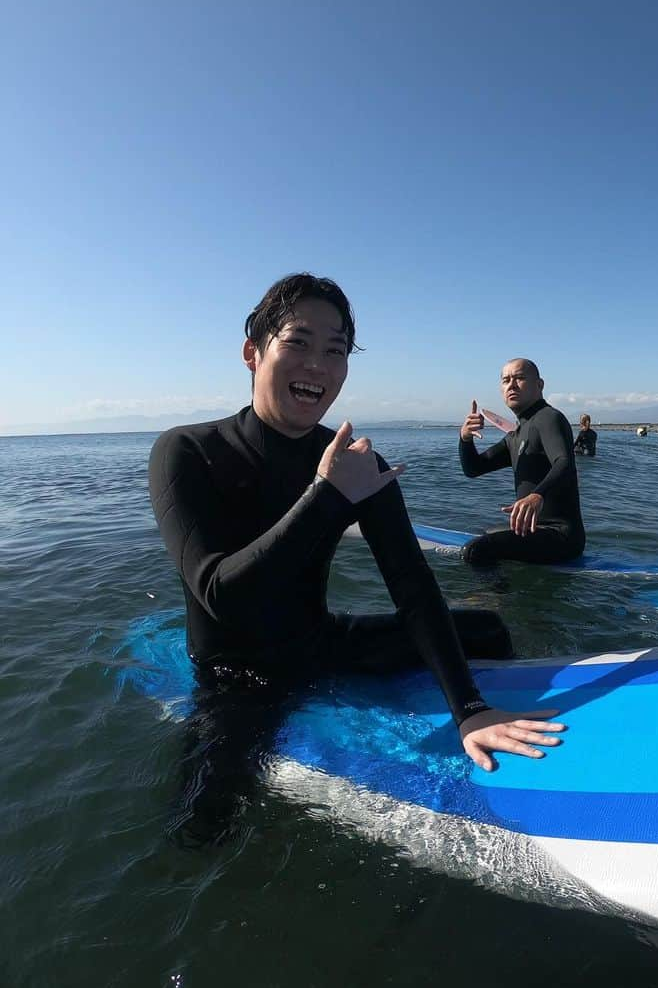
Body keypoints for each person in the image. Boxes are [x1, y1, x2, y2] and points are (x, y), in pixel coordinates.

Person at [149, 274, 564, 785]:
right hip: (235, 673)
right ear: (252, 352)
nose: (317, 365)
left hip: (319, 644)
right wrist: (327, 495)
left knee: (487, 631)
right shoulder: (187, 450)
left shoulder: (356, 463)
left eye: (336, 350)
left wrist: (470, 710)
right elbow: (220, 596)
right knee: (205, 823)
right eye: (297, 342)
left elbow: (411, 583)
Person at [459, 359, 585, 565]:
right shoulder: (516, 435)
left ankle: (496, 597)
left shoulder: (548, 418)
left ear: (539, 384)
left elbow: (564, 462)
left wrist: (537, 495)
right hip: (533, 531)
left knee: (475, 550)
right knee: (485, 533)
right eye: (506, 380)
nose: (512, 385)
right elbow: (473, 469)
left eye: (519, 378)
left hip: (561, 535)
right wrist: (465, 438)